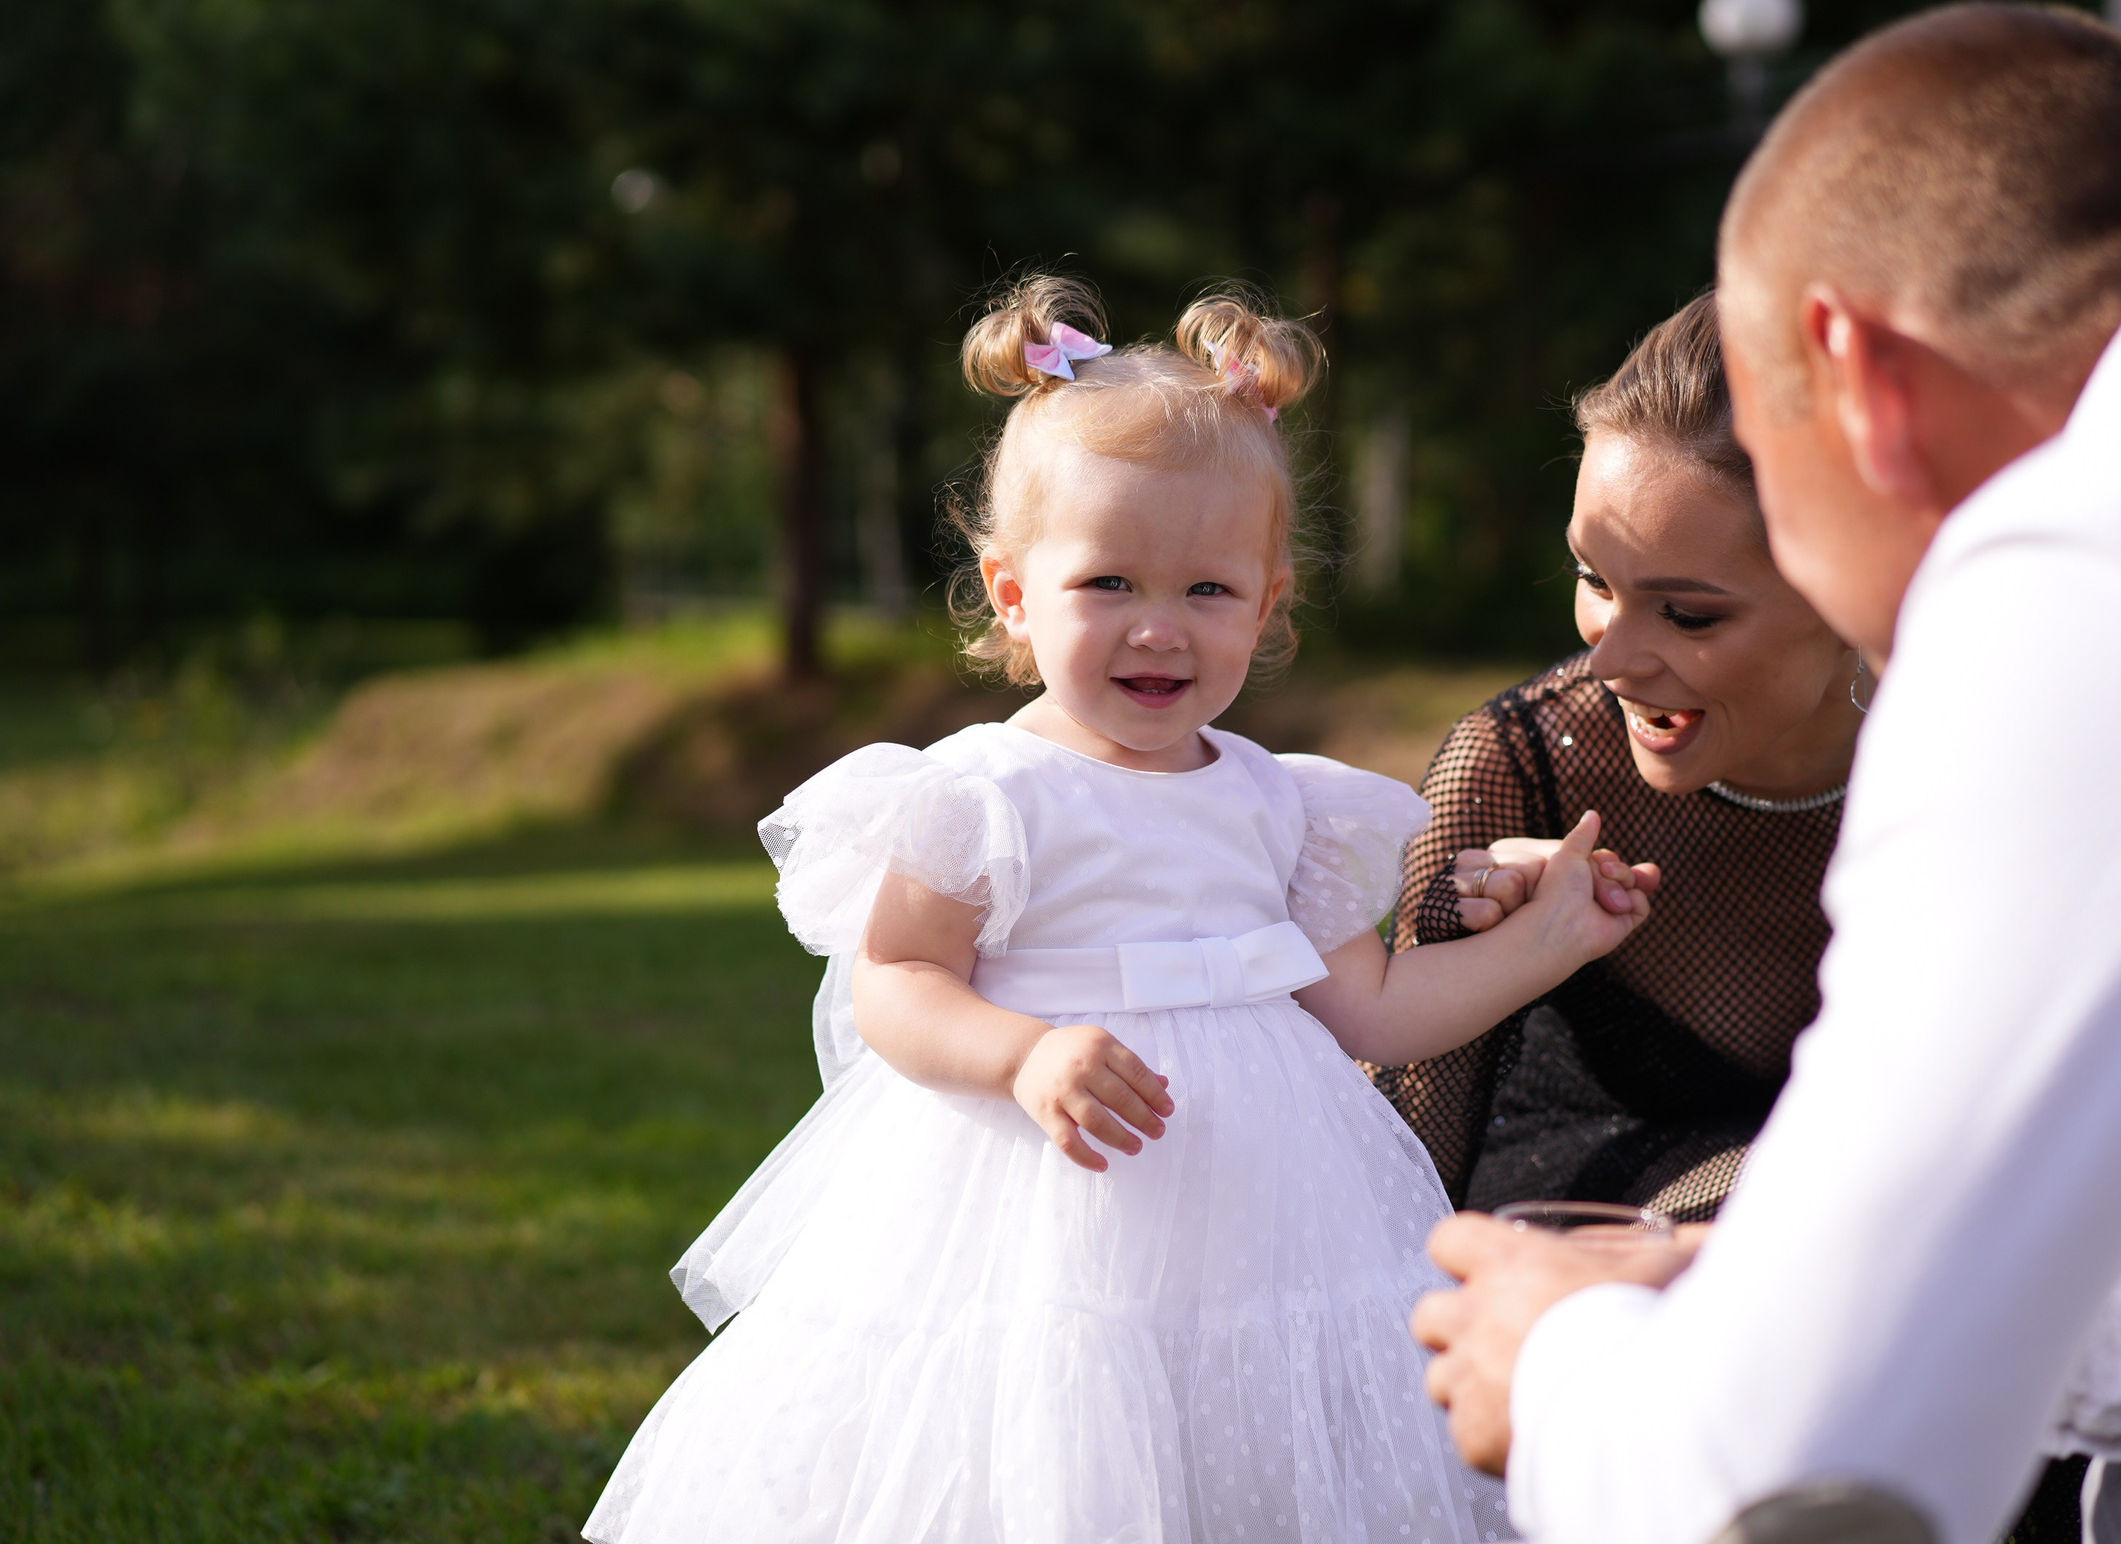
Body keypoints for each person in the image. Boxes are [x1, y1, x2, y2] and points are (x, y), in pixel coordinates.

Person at [1410, 0, 2121, 1544]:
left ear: (1857, 374)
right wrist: (1766, 1277)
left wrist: (1555, 1357)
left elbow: (1802, 1488)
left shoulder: (2112, 569)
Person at [583, 277, 1661, 1544]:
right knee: (1047, 1437)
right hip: (1035, 1209)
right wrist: (1025, 1050)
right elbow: (898, 984)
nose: (1159, 628)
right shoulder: (985, 793)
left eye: (1207, 591)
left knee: (1254, 1447)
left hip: (1271, 1209)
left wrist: (1548, 941)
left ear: (1267, 607)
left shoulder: (1280, 807)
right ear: (1012, 593)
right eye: (1108, 583)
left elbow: (1371, 1011)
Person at [1380, 290, 1860, 1227]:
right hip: (1572, 1274)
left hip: (1875, 1267)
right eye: (1593, 580)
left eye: (1687, 613)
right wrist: (1465, 943)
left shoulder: (1967, 756)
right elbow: (1386, 1193)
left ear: (1845, 582)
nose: (1610, 660)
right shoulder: (1517, 766)